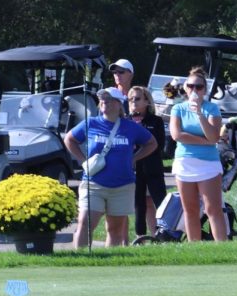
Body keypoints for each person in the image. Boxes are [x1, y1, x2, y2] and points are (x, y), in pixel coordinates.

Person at [64, 86, 157, 248]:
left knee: (115, 229)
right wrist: (82, 160)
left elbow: (151, 143)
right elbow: (69, 139)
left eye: (109, 99)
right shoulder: (91, 123)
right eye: (102, 100)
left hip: (123, 185)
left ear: (119, 104)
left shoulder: (130, 127)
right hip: (93, 183)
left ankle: (107, 262)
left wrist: (134, 158)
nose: (104, 102)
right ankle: (80, 260)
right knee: (85, 224)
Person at [169, 67, 228, 242]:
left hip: (208, 163)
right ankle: (194, 246)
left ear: (205, 89)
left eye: (199, 87)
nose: (194, 90)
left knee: (213, 209)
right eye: (191, 86)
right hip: (184, 162)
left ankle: (222, 249)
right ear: (185, 88)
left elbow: (213, 135)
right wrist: (206, 141)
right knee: (190, 209)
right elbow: (177, 135)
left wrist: (199, 114)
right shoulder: (178, 108)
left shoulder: (212, 109)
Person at [127, 85, 166, 236]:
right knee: (139, 205)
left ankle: (164, 233)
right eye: (131, 99)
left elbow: (159, 145)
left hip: (153, 168)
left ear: (146, 101)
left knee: (160, 202)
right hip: (135, 169)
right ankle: (140, 237)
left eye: (137, 99)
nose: (133, 102)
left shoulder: (156, 121)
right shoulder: (126, 121)